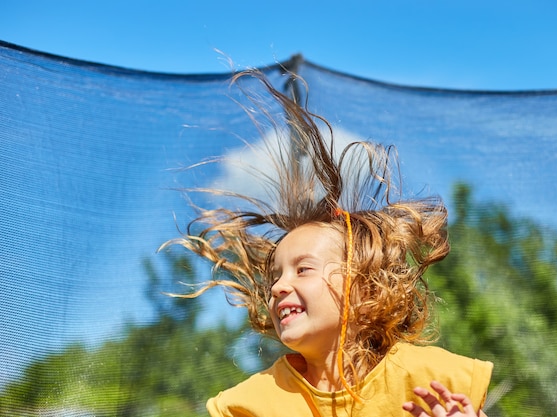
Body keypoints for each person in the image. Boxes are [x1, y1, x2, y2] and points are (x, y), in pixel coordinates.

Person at [164, 69, 493, 416]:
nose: (277, 288)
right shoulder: (254, 404)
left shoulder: (430, 383)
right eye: (275, 277)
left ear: (365, 289)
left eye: (302, 269)